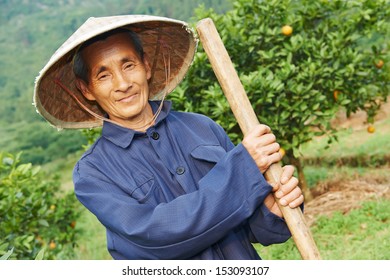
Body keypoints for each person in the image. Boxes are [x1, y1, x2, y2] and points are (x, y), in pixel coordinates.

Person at [34, 15, 303, 260]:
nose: (123, 84)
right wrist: (244, 168)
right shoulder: (93, 173)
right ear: (87, 90)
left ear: (146, 67)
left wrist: (273, 209)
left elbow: (252, 227)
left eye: (128, 65)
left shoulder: (202, 127)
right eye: (103, 75)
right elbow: (160, 236)